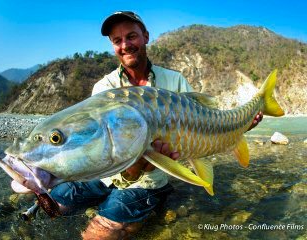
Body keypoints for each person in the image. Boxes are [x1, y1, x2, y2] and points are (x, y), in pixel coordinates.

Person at [49, 11, 262, 240]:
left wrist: (239, 127)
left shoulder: (175, 81)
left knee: (101, 232)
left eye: (131, 36)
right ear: (113, 46)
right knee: (55, 201)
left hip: (148, 181)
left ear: (146, 37)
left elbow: (206, 127)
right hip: (106, 176)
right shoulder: (104, 87)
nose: (125, 45)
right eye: (117, 40)